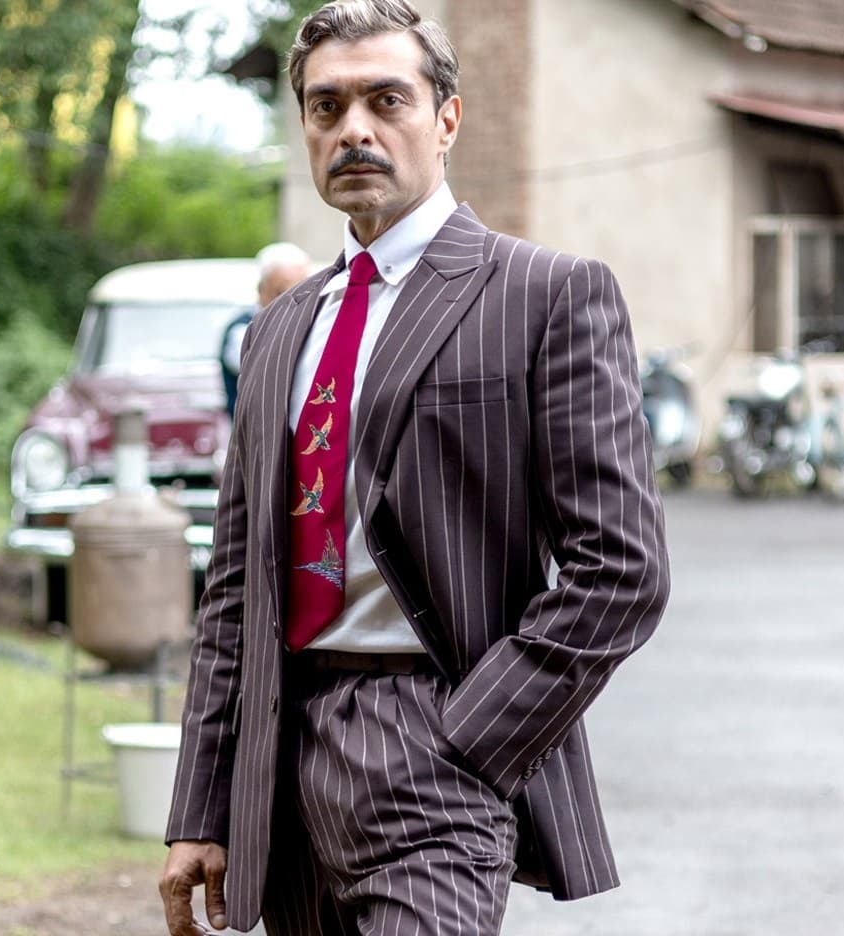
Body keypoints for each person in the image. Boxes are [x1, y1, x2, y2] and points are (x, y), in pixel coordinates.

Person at [160, 2, 671, 934]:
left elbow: (622, 569)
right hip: (285, 758)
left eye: (386, 99)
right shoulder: (279, 331)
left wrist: (471, 739)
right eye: (327, 107)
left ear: (447, 119)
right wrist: (203, 802)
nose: (354, 128)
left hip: (436, 741)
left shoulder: (545, 295)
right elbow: (236, 585)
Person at [221, 242, 314, 419]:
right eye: (282, 292)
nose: (295, 301)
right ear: (261, 289)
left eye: (305, 291)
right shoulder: (242, 331)